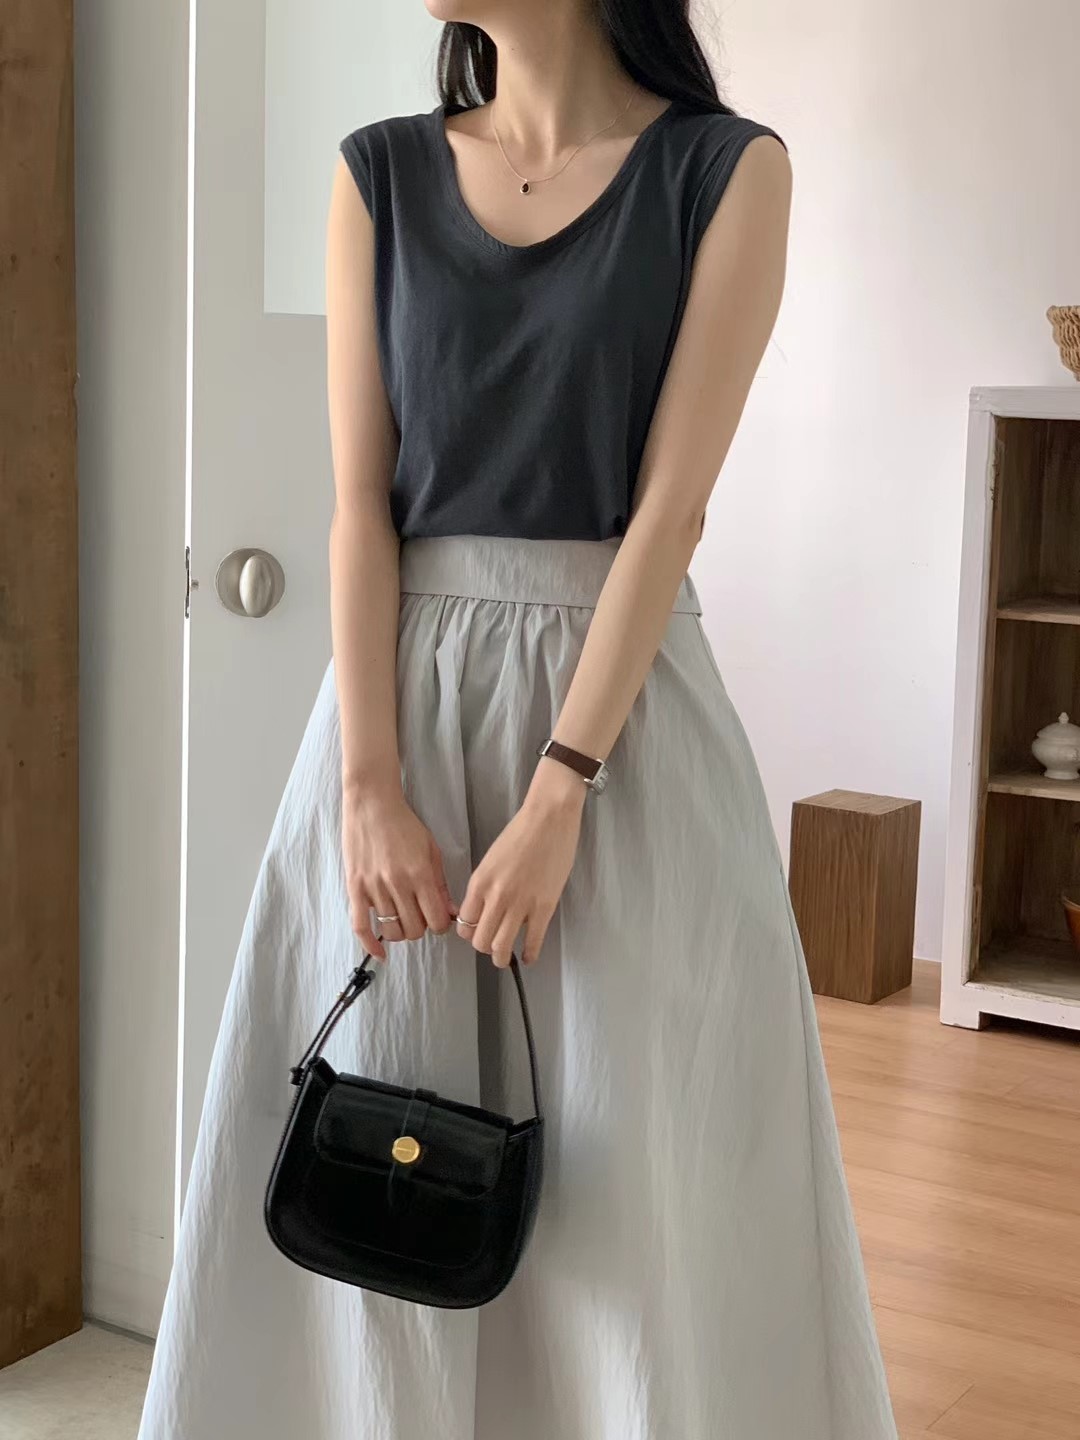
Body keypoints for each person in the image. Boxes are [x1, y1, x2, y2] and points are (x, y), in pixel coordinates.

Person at [138, 2, 899, 1437]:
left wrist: (562, 790)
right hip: (397, 723)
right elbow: (360, 506)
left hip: (624, 735)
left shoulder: (728, 172)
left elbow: (669, 515)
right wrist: (367, 784)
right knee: (382, 1158)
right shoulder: (378, 172)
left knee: (634, 1191)